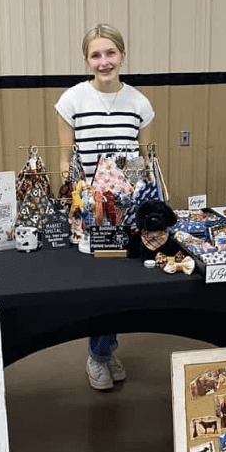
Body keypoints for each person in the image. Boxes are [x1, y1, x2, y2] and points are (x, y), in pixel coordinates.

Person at [55, 24, 155, 390]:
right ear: (86, 59)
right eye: (95, 55)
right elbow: (66, 158)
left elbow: (144, 160)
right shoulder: (72, 101)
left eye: (110, 53)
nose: (104, 61)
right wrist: (77, 197)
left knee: (118, 283)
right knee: (98, 284)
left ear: (122, 55)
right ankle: (99, 355)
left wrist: (144, 198)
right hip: (90, 208)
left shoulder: (140, 103)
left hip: (126, 206)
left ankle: (105, 349)